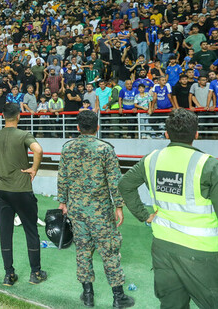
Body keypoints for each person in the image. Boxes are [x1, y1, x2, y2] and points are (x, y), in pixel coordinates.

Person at [119, 108, 218, 309]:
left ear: (166, 134)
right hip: (202, 253)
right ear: (197, 134)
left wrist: (144, 216)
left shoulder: (151, 159)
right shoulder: (210, 165)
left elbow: (125, 184)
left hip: (163, 248)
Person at [57, 110, 135, 308]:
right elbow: (115, 180)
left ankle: (88, 295)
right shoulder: (105, 149)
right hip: (101, 211)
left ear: (77, 128)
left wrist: (62, 201)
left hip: (76, 210)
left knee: (82, 250)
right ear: (97, 127)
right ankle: (118, 297)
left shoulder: (67, 148)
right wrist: (119, 205)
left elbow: (62, 177)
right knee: (109, 251)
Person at [0, 102, 47, 286]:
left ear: (2, 116)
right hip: (21, 190)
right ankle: (35, 273)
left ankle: (9, 275)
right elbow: (38, 150)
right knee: (31, 230)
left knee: (5, 232)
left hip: (2, 190)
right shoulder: (23, 134)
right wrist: (33, 169)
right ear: (18, 116)